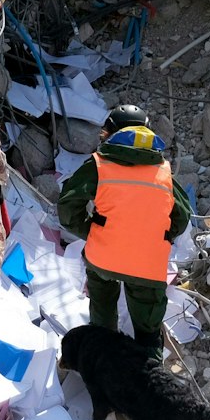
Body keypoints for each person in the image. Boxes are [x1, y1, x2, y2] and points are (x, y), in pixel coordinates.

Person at [58, 104, 192, 355]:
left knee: (102, 317)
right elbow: (181, 217)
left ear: (111, 133)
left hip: (103, 257)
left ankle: (104, 362)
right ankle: (148, 374)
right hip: (147, 264)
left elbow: (68, 207)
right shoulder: (163, 171)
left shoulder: (98, 165)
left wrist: (92, 231)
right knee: (148, 332)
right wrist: (157, 237)